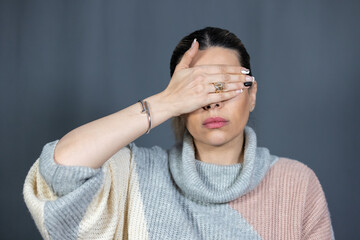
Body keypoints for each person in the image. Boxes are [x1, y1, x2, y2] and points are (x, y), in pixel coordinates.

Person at [23, 27, 334, 240]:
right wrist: (165, 103)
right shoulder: (137, 174)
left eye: (225, 86)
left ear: (252, 95)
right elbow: (61, 171)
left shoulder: (296, 183)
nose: (213, 101)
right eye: (197, 89)